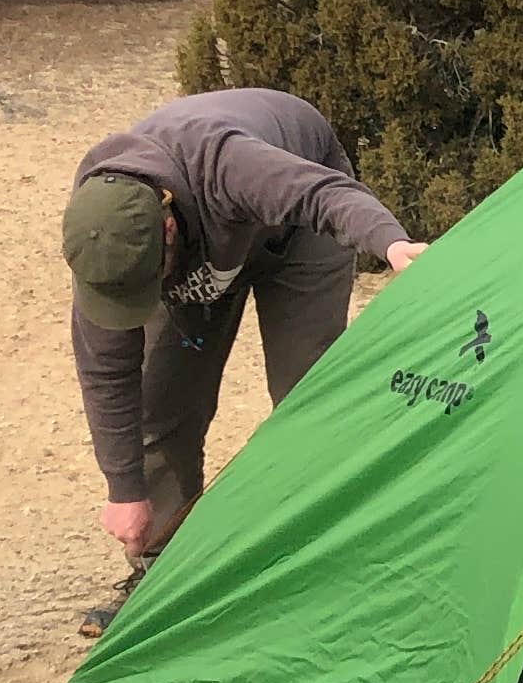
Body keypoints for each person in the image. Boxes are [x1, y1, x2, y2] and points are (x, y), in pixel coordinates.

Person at [60, 86, 423, 625]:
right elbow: (107, 372)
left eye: (146, 284)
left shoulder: (225, 164)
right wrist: (125, 491)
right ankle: (161, 578)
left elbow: (323, 194)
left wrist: (391, 243)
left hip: (298, 228)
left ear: (166, 226)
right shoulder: (105, 238)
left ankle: (318, 567)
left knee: (304, 399)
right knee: (162, 405)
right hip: (211, 247)